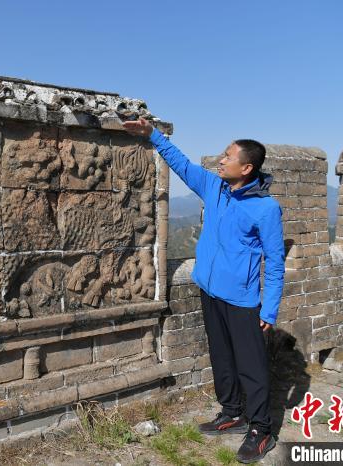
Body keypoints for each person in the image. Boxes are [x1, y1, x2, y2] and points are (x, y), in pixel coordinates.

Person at [123, 118, 285, 464]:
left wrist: (269, 309)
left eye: (227, 156)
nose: (219, 160)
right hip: (210, 291)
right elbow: (181, 164)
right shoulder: (214, 187)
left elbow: (275, 261)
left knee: (250, 366)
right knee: (222, 357)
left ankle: (261, 429)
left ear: (247, 167)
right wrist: (152, 135)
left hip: (242, 300)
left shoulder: (266, 209)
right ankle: (232, 412)